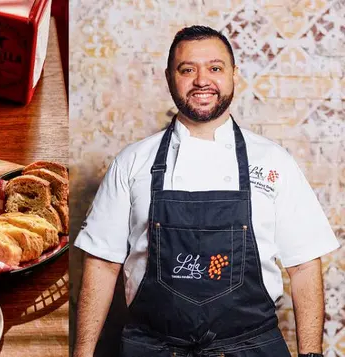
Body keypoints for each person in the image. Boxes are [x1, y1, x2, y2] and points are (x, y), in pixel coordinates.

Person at [73, 25, 340, 357]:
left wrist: (311, 355)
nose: (202, 80)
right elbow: (102, 263)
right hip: (154, 347)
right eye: (188, 69)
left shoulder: (274, 163)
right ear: (169, 77)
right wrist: (82, 354)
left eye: (215, 68)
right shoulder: (132, 162)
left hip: (251, 347)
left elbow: (303, 267)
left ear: (233, 76)